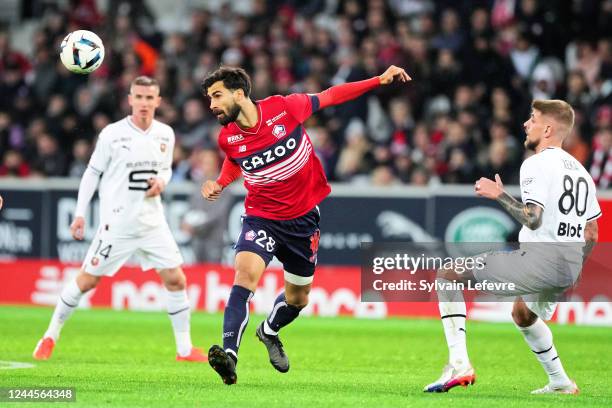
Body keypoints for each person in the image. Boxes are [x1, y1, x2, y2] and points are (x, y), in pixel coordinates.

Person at [200, 65, 411, 384]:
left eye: (217, 96)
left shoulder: (284, 108)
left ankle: (269, 330)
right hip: (262, 217)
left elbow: (331, 95)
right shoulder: (227, 137)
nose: (212, 104)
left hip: (302, 221)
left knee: (298, 299)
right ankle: (229, 355)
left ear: (239, 93)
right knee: (244, 276)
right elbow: (235, 160)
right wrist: (220, 182)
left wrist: (378, 80)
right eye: (209, 98)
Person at [425, 99, 601, 394]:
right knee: (523, 314)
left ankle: (459, 365)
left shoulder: (535, 164)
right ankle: (560, 382)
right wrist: (576, 268)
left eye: (532, 119)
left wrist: (499, 195)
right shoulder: (582, 173)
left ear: (547, 128)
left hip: (540, 261)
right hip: (568, 267)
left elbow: (532, 219)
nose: (525, 124)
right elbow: (592, 232)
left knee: (448, 274)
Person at [33, 76, 206, 363]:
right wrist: (79, 214)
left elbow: (165, 170)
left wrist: (162, 182)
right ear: (130, 99)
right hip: (118, 224)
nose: (144, 103)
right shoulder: (112, 134)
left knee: (176, 279)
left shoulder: (165, 134)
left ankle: (185, 350)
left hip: (152, 221)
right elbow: (91, 173)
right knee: (87, 281)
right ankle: (50, 335)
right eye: (139, 97)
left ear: (158, 102)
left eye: (150, 98)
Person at [181, 149, 232, 263]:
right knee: (197, 274)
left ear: (216, 164)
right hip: (197, 239)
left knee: (213, 273)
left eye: (208, 163)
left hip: (214, 239)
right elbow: (191, 208)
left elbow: (218, 214)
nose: (205, 167)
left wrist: (195, 225)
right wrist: (186, 221)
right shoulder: (197, 185)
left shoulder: (223, 186)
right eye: (203, 163)